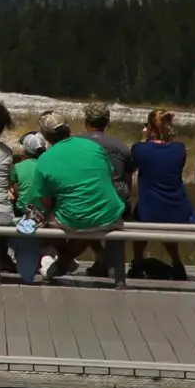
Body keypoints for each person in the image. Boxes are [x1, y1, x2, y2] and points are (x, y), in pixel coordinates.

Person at [17, 112, 125, 281]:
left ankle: (62, 261)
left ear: (45, 136)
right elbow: (108, 174)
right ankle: (67, 260)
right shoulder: (93, 146)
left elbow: (44, 202)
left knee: (49, 221)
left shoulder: (45, 159)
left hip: (77, 218)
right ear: (68, 128)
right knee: (85, 218)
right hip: (110, 213)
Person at [129, 109, 195, 224]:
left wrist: (145, 138)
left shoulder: (139, 148)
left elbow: (132, 168)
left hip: (148, 212)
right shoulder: (180, 149)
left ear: (149, 127)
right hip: (178, 211)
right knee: (171, 241)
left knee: (138, 238)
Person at [79, 102, 135, 212]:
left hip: (84, 203)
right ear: (107, 122)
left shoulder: (74, 144)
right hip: (116, 206)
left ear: (86, 121)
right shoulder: (121, 147)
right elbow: (128, 183)